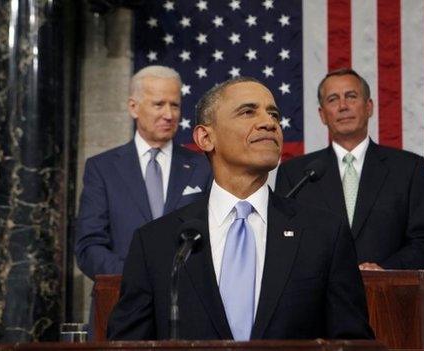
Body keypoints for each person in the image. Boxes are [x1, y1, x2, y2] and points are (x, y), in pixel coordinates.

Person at [107, 77, 374, 340]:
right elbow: (128, 344)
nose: (269, 123)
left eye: (274, 115)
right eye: (248, 112)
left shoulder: (324, 234)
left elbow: (352, 342)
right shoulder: (156, 242)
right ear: (205, 137)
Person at [275, 68, 424, 271]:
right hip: (316, 297)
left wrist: (384, 271)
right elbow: (283, 240)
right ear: (322, 115)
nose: (343, 106)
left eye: (351, 97)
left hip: (385, 295)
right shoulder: (295, 174)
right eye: (333, 99)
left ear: (369, 107)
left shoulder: (408, 168)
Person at [75, 65, 212, 279]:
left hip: (184, 299)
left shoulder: (203, 166)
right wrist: (137, 277)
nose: (169, 114)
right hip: (121, 299)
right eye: (159, 104)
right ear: (133, 107)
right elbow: (89, 246)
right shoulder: (102, 168)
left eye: (174, 105)